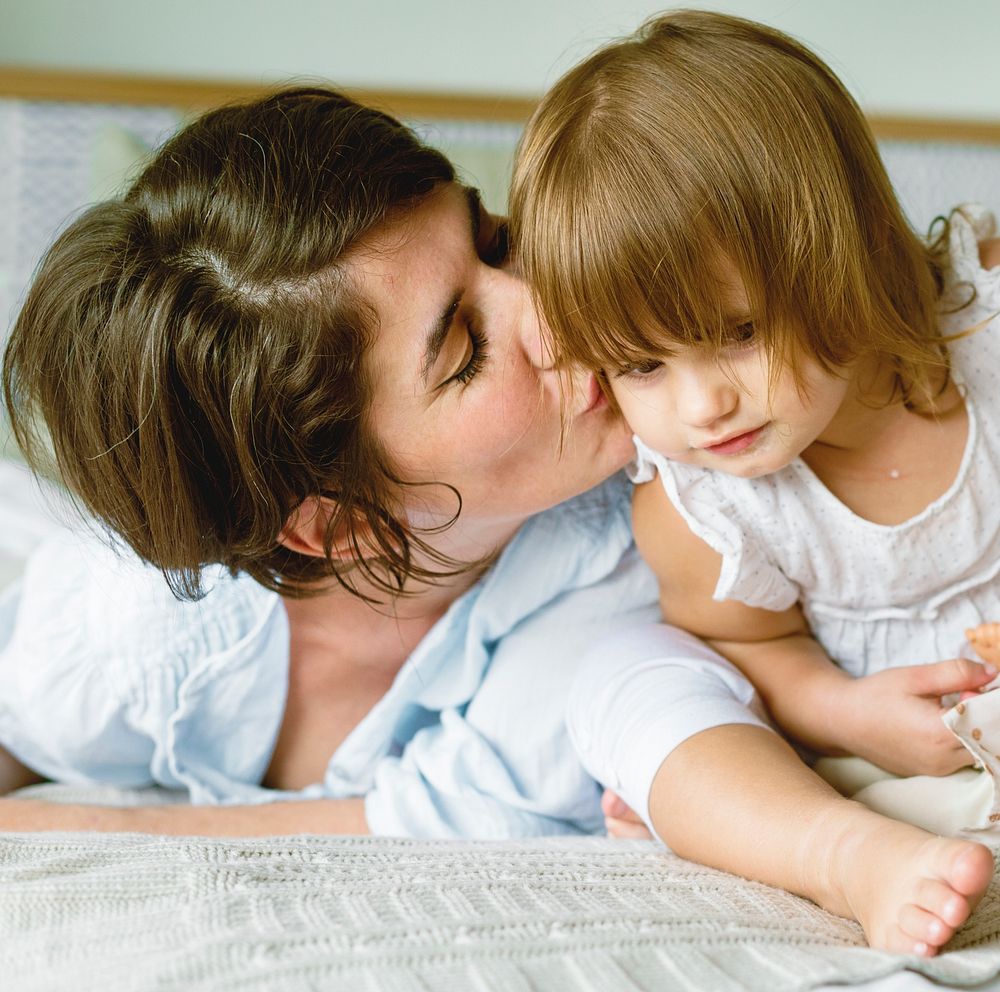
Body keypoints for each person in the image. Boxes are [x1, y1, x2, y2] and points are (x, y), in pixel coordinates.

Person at [0, 87, 767, 838]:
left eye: (496, 241)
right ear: (336, 522)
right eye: (467, 354)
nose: (555, 307)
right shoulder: (133, 635)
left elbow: (479, 810)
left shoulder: (659, 530)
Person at [510, 10, 997, 957]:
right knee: (634, 685)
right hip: (879, 771)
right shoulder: (703, 506)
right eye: (642, 368)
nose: (704, 407)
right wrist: (850, 714)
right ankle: (846, 855)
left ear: (843, 248)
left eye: (739, 331)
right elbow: (756, 648)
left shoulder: (980, 347)